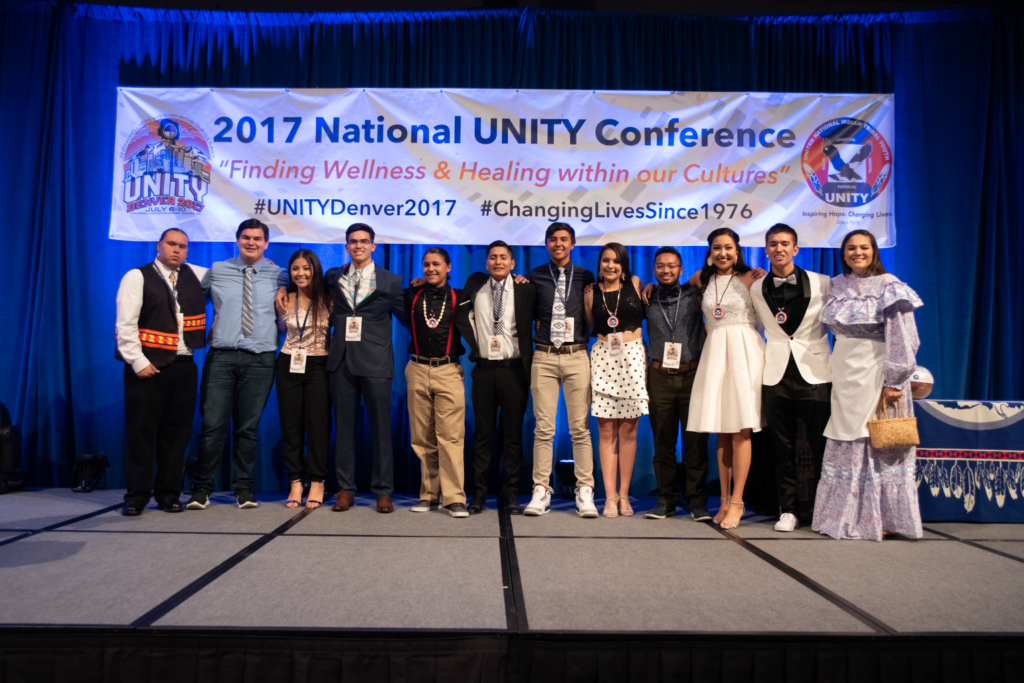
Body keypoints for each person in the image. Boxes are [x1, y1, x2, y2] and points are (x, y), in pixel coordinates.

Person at [813, 230, 923, 541]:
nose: (857, 253)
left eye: (864, 247)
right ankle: (844, 517)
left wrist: (895, 380)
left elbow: (903, 335)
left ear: (874, 250)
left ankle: (883, 519)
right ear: (843, 253)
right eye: (851, 248)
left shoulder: (889, 285)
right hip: (845, 371)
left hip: (877, 371)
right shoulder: (836, 285)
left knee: (877, 440)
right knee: (846, 438)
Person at [188, 219, 288, 510]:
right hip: (221, 357)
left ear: (266, 243)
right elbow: (191, 301)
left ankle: (243, 488)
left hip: (261, 360)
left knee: (247, 429)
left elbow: (291, 311)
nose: (251, 242)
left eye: (257, 238)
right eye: (246, 237)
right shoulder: (217, 270)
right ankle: (201, 489)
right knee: (212, 427)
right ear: (237, 240)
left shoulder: (280, 275)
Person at [115, 228, 207, 516]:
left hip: (184, 365)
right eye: (171, 244)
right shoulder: (137, 276)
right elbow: (126, 323)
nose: (177, 250)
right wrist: (137, 361)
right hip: (148, 367)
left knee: (177, 435)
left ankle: (169, 494)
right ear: (159, 245)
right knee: (141, 433)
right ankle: (136, 496)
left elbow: (236, 276)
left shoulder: (197, 275)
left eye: (183, 246)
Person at [749, 224, 832, 532]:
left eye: (785, 243)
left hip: (817, 371)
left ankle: (825, 509)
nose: (779, 248)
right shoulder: (756, 288)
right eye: (773, 244)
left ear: (796, 249)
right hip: (775, 373)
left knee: (821, 444)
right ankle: (788, 510)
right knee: (781, 447)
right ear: (766, 250)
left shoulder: (823, 282)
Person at [687, 228, 766, 530]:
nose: (723, 253)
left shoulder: (751, 278)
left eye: (728, 248)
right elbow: (676, 290)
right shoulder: (701, 278)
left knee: (741, 430)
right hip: (715, 355)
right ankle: (722, 500)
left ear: (737, 251)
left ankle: (737, 501)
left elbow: (767, 317)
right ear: (710, 251)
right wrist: (651, 286)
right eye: (717, 248)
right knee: (721, 430)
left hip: (744, 354)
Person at [324, 224, 404, 514]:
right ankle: (345, 489)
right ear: (346, 246)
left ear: (373, 246)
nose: (358, 245)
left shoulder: (391, 281)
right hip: (341, 360)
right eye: (353, 241)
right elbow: (306, 290)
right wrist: (283, 285)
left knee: (381, 430)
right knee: (344, 429)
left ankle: (383, 491)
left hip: (376, 362)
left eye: (364, 241)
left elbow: (410, 315)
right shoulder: (333, 277)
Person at [455, 241, 536, 515]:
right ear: (486, 262)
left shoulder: (526, 289)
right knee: (483, 435)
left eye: (503, 258)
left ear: (512, 263)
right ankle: (479, 494)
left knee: (513, 436)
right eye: (492, 257)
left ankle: (511, 494)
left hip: (514, 370)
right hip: (484, 369)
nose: (498, 262)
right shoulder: (475, 284)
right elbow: (457, 309)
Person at [524, 223, 599, 518]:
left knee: (580, 428)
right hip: (544, 356)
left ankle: (585, 490)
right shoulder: (535, 275)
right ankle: (541, 490)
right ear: (546, 244)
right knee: (544, 428)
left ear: (573, 244)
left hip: (576, 355)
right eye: (553, 239)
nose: (558, 244)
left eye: (564, 239)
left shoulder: (586, 276)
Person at [642, 246, 712, 522]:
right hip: (659, 375)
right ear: (654, 269)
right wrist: (643, 284)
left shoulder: (696, 294)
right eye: (660, 266)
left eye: (672, 266)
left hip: (693, 374)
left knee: (696, 442)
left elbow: (714, 271)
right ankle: (666, 500)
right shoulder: (646, 297)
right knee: (662, 443)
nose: (666, 270)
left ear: (681, 270)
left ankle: (698, 502)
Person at [402, 247, 469, 518]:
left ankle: (454, 498)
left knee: (450, 437)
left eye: (436, 264)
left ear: (448, 267)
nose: (430, 269)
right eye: (426, 264)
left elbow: (483, 281)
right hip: (417, 368)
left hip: (448, 370)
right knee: (422, 438)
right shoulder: (411, 295)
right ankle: (428, 495)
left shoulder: (461, 296)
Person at [582, 243, 647, 517]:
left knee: (628, 432)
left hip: (632, 358)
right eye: (606, 260)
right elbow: (590, 325)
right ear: (599, 264)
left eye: (616, 261)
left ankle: (624, 495)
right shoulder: (590, 292)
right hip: (603, 358)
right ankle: (609, 496)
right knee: (607, 432)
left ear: (623, 265)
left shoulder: (635, 283)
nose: (610, 265)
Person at [275, 249, 332, 509]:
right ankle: (296, 482)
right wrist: (280, 288)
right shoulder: (283, 299)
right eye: (295, 268)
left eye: (306, 268)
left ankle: (318, 481)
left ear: (315, 270)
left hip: (319, 364)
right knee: (291, 426)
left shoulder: (329, 299)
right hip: (289, 363)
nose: (301, 273)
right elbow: (278, 329)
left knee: (319, 426)